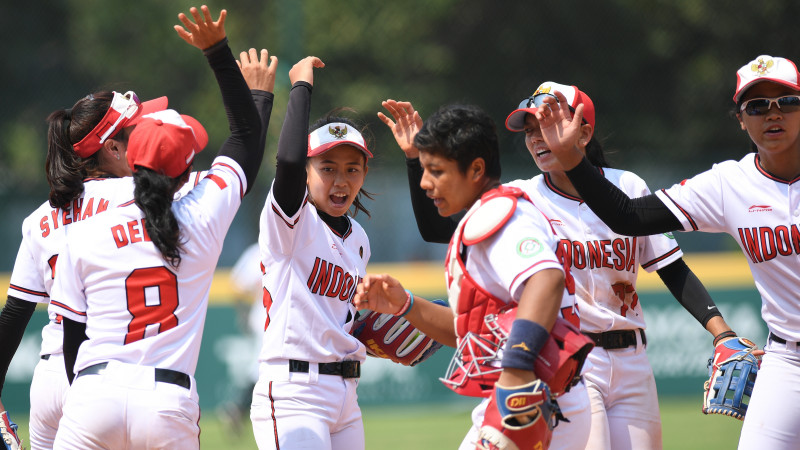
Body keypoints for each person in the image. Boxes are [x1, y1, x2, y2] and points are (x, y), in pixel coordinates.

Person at [380, 80, 742, 449]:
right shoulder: (526, 197)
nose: (537, 137)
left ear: (583, 131)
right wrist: (415, 159)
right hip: (571, 357)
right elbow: (437, 227)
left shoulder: (626, 187)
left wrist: (722, 331)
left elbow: (671, 267)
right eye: (530, 129)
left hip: (632, 357)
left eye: (549, 124)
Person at [535, 55, 800, 450]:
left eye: (787, 102)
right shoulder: (730, 183)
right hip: (788, 360)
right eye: (757, 105)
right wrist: (572, 158)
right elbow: (628, 216)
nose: (772, 113)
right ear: (742, 120)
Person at [46, 6, 275, 448]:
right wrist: (219, 54)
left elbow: (73, 339)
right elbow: (246, 138)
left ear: (131, 160)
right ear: (189, 170)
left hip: (95, 392)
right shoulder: (203, 214)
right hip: (167, 398)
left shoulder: (85, 229)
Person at [356, 103, 588, 450]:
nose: (425, 182)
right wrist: (405, 305)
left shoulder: (500, 216)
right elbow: (473, 330)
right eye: (423, 169)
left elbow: (546, 279)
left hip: (528, 398)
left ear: (476, 169)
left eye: (436, 171)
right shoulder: (485, 214)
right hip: (528, 396)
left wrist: (517, 367)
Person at [249, 55, 376, 449]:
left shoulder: (359, 238)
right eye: (327, 167)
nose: (341, 180)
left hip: (346, 395)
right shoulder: (292, 221)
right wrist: (301, 85)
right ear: (306, 171)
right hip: (294, 394)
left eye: (352, 169)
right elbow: (285, 161)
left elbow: (339, 318)